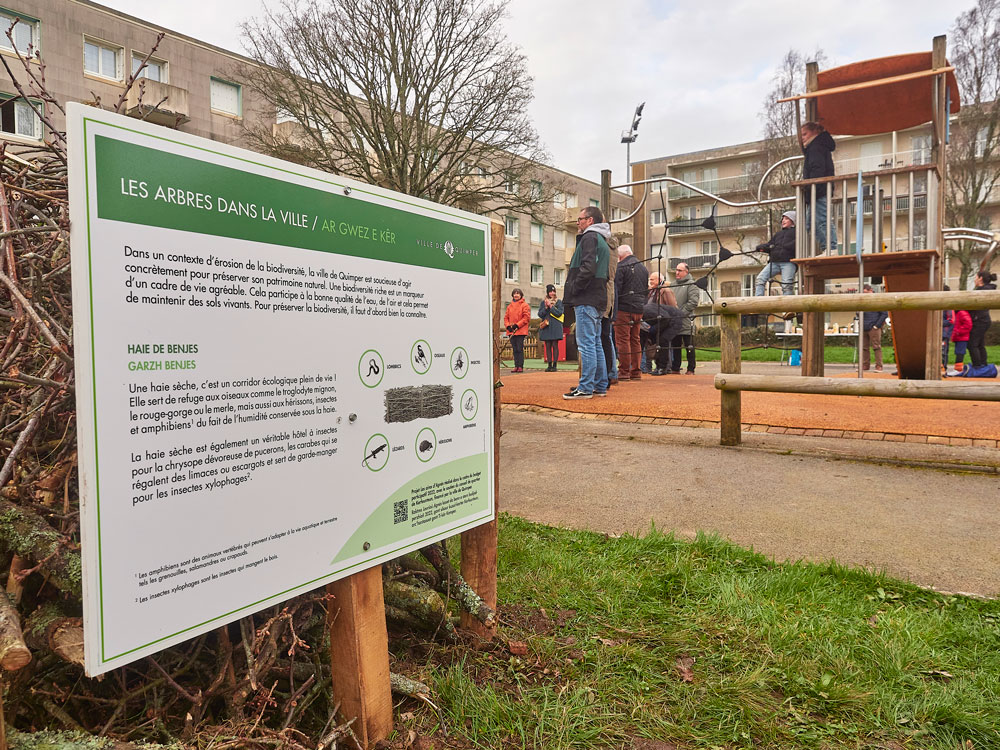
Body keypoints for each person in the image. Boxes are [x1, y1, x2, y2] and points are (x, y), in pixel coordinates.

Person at [563, 206, 611, 399]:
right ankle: (600, 385)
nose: (578, 222)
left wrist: (574, 287)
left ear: (590, 221)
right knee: (595, 343)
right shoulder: (602, 240)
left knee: (586, 344)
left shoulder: (590, 237)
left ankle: (586, 387)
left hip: (586, 297)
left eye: (580, 219)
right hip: (598, 298)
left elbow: (588, 267)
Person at [801, 121, 837, 253]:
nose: (802, 137)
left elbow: (817, 168)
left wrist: (810, 187)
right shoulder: (816, 147)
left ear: (814, 132)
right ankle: (827, 247)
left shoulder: (816, 147)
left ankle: (831, 248)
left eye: (805, 134)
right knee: (811, 223)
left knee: (822, 219)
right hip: (816, 190)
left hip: (819, 189)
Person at [613, 245, 647, 380]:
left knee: (622, 340)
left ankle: (624, 371)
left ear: (620, 256)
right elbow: (645, 289)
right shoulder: (643, 268)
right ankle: (636, 371)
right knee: (635, 339)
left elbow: (617, 290)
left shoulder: (621, 267)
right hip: (639, 308)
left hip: (624, 307)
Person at [643, 282, 683, 376]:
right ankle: (660, 366)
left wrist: (653, 330)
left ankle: (662, 368)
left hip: (674, 319)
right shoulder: (645, 311)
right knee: (659, 341)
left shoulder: (647, 311)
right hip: (667, 319)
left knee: (663, 340)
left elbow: (665, 318)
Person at [754, 211, 797, 297]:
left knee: (786, 285)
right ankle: (758, 303)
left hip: (789, 262)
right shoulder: (778, 234)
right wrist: (762, 247)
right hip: (774, 262)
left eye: (786, 218)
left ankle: (789, 308)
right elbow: (770, 245)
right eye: (783, 219)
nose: (783, 221)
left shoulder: (797, 232)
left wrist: (784, 246)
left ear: (793, 220)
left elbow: (797, 244)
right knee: (760, 280)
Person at [669, 262, 701, 374]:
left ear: (686, 272)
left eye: (680, 270)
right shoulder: (672, 285)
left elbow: (693, 302)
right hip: (674, 322)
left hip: (687, 321)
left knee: (689, 346)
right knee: (675, 346)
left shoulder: (692, 285)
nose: (677, 272)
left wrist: (680, 313)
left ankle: (691, 369)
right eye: (676, 270)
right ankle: (675, 368)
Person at [968, 270, 997, 369]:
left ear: (980, 278)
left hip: (980, 320)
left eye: (976, 277)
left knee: (972, 344)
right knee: (979, 344)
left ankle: (978, 366)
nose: (975, 279)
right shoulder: (983, 289)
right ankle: (982, 365)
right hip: (982, 320)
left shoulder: (983, 290)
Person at [602, 235, 620, 386]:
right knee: (606, 339)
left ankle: (603, 377)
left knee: (599, 339)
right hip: (610, 300)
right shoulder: (614, 250)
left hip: (601, 299)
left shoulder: (601, 247)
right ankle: (610, 374)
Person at [861, 283, 888, 372]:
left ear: (871, 291)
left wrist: (877, 326)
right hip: (864, 327)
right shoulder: (862, 301)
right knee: (864, 347)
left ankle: (879, 366)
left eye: (865, 292)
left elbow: (884, 313)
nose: (864, 294)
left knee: (876, 347)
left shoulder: (878, 300)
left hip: (874, 327)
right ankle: (865, 365)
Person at [537, 284, 564, 372]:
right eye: (550, 291)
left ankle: (555, 365)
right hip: (546, 326)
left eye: (553, 291)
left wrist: (551, 306)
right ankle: (549, 364)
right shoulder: (543, 302)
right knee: (547, 345)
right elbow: (540, 314)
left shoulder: (559, 302)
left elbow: (559, 313)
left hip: (556, 326)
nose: (552, 293)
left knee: (555, 345)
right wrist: (545, 307)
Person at [503, 287, 530, 373]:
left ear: (521, 295)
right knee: (514, 349)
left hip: (520, 330)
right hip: (511, 331)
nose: (516, 295)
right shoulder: (509, 306)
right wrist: (508, 326)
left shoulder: (525, 305)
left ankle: (520, 366)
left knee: (519, 349)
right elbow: (506, 317)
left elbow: (526, 318)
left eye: (518, 293)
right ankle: (516, 365)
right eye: (515, 293)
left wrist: (517, 325)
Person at [947, 308, 973, 376]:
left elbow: (968, 324)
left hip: (962, 337)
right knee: (958, 352)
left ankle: (958, 370)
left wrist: (958, 332)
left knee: (960, 353)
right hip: (959, 337)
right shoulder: (958, 313)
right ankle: (958, 369)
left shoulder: (961, 313)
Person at [941, 285, 955, 374]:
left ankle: (944, 369)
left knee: (943, 352)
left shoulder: (948, 305)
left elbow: (951, 320)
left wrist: (938, 324)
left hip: (944, 334)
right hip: (937, 333)